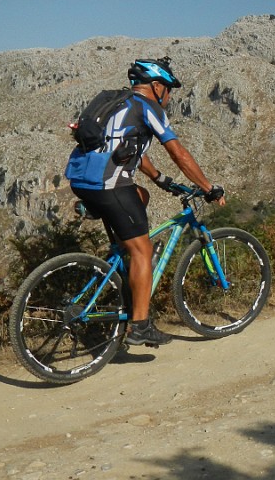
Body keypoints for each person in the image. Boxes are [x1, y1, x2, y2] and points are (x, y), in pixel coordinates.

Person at [65, 57, 225, 346]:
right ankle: (139, 325)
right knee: (143, 249)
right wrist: (208, 187)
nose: (170, 95)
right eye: (168, 88)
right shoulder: (147, 107)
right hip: (109, 185)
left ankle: (127, 263)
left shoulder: (119, 103)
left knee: (143, 196)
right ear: (155, 86)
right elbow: (179, 153)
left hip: (82, 182)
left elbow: (130, 148)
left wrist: (160, 179)